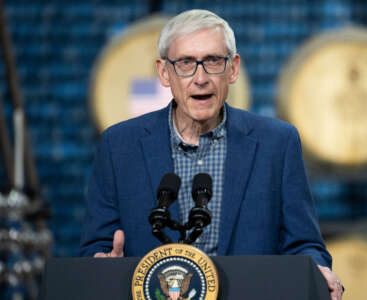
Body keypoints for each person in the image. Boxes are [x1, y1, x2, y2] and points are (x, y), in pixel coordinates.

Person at [80, 9, 343, 300]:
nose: (200, 77)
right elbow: (98, 247)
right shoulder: (119, 146)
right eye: (186, 63)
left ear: (233, 69)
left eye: (213, 61)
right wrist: (101, 266)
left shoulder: (277, 143)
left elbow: (304, 243)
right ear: (164, 72)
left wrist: (318, 269)